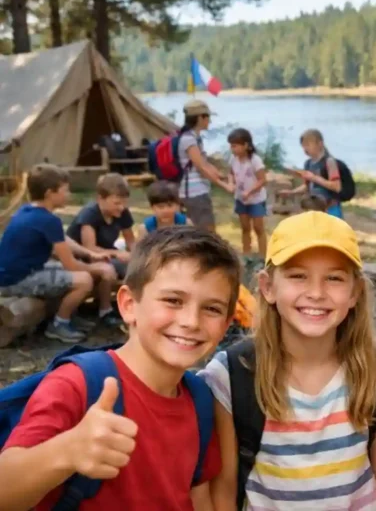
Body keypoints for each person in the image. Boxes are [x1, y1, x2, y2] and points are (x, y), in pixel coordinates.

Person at [0, 226, 242, 510]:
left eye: (212, 308)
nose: (191, 321)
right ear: (128, 305)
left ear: (226, 324)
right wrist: (66, 451)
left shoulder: (200, 398)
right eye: (173, 300)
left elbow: (197, 496)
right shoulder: (77, 384)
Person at [200, 211, 376, 510]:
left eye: (334, 278)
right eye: (298, 276)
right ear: (268, 287)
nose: (316, 293)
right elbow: (223, 489)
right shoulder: (231, 375)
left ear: (355, 292)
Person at [0, 164, 119, 343]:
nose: (69, 194)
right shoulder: (49, 220)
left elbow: (63, 239)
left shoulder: (28, 210)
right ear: (50, 193)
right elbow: (70, 265)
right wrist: (99, 268)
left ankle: (69, 316)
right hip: (16, 280)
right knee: (84, 280)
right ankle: (59, 324)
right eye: (65, 190)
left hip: (17, 272)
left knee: (76, 272)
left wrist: (90, 254)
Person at [177, 99, 233, 231]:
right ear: (200, 118)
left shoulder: (195, 138)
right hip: (194, 193)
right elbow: (201, 167)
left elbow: (205, 164)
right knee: (206, 232)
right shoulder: (188, 139)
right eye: (207, 117)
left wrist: (221, 176)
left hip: (198, 191)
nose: (210, 121)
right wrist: (224, 186)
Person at [67, 173, 135, 280]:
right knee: (123, 268)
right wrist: (117, 253)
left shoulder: (122, 212)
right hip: (85, 257)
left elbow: (130, 242)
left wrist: (137, 256)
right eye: (116, 203)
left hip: (107, 253)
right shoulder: (90, 214)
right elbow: (89, 248)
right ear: (100, 199)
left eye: (124, 203)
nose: (121, 207)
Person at [280, 129, 345, 219]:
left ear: (320, 144)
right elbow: (308, 186)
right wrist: (292, 192)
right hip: (314, 210)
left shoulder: (329, 162)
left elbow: (336, 186)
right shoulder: (308, 163)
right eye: (303, 146)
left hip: (331, 209)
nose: (305, 149)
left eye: (308, 145)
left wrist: (314, 178)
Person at [227, 128, 267, 257]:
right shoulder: (233, 159)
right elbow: (230, 173)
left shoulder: (255, 160)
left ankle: (263, 256)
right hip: (240, 198)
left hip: (256, 199)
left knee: (258, 228)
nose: (232, 149)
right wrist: (231, 183)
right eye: (231, 146)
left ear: (245, 145)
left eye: (235, 146)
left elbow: (262, 180)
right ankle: (246, 254)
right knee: (245, 228)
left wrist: (249, 192)